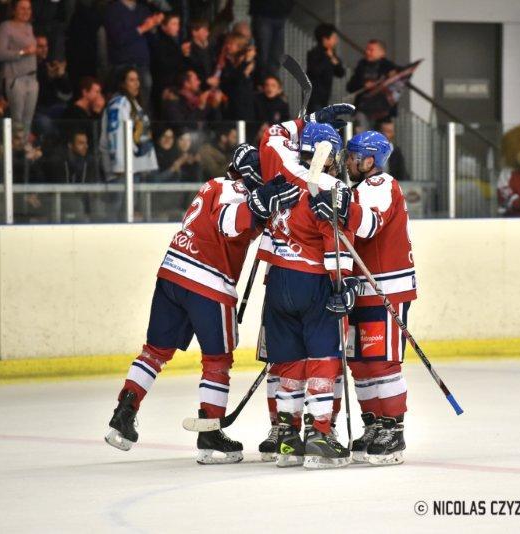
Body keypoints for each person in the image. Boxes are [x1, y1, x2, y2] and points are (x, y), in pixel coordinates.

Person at [105, 144, 300, 464]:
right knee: (218, 360)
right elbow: (229, 222)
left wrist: (266, 204)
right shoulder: (237, 192)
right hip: (208, 283)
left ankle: (124, 413)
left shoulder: (211, 185)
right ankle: (209, 433)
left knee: (154, 352)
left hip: (171, 274)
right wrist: (261, 202)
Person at [252, 103, 358, 469]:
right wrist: (342, 287)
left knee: (289, 361)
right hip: (313, 281)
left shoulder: (280, 168)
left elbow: (272, 134)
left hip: (278, 279)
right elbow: (336, 243)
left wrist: (308, 120)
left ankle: (286, 437)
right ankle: (319, 436)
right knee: (323, 358)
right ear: (328, 156)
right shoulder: (330, 186)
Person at [310, 130, 415, 466]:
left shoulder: (381, 184)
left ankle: (392, 427)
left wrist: (343, 207)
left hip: (385, 286)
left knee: (382, 361)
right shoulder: (357, 188)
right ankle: (373, 423)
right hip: (361, 286)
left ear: (370, 160)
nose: (347, 161)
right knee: (360, 361)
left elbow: (370, 225)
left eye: (353, 155)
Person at [104, 0, 163, 109]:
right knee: (123, 99)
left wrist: (154, 27)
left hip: (142, 62)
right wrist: (142, 28)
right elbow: (117, 39)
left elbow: (152, 40)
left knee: (143, 96)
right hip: (122, 62)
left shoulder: (143, 9)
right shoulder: (113, 10)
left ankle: (140, 122)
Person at [99, 67, 157, 179]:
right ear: (122, 84)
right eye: (131, 80)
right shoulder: (118, 106)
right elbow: (116, 136)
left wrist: (149, 164)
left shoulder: (134, 104)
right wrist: (119, 166)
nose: (137, 84)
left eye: (137, 79)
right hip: (123, 173)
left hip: (136, 168)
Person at [0, 0, 39, 139]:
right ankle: (13, 153)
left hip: (32, 78)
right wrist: (22, 52)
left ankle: (23, 152)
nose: (26, 11)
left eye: (29, 8)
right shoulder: (5, 27)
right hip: (16, 78)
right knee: (17, 121)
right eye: (22, 8)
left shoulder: (29, 27)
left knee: (27, 122)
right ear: (14, 10)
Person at [346, 39, 398, 124]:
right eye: (367, 49)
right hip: (363, 110)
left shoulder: (389, 67)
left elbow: (395, 89)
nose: (367, 52)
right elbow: (350, 86)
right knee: (363, 135)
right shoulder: (362, 65)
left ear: (382, 52)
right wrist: (364, 85)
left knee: (382, 136)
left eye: (371, 50)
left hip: (383, 111)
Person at [149, 12, 184, 114]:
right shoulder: (160, 42)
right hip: (163, 85)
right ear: (164, 26)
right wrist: (180, 53)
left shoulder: (174, 42)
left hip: (173, 82)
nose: (177, 27)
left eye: (178, 24)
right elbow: (163, 64)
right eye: (173, 24)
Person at [306, 23, 345, 113]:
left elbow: (341, 73)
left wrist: (333, 59)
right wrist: (328, 58)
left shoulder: (331, 54)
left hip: (326, 96)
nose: (336, 41)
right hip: (314, 97)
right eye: (334, 38)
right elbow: (315, 71)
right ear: (325, 39)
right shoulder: (314, 53)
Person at [248, 0, 292, 79]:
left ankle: (271, 82)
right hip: (263, 13)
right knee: (262, 55)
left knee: (276, 56)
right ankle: (261, 82)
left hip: (279, 14)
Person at [219, 32, 256, 121]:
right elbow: (234, 80)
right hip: (231, 105)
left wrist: (246, 62)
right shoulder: (227, 63)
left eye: (231, 44)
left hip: (246, 106)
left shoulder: (251, 63)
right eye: (227, 43)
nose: (228, 46)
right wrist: (245, 63)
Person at [61, 75, 102, 146]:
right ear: (85, 92)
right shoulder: (73, 112)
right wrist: (96, 113)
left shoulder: (91, 111)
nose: (99, 96)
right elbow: (90, 135)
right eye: (97, 92)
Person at [182, 18, 215, 90]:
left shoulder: (209, 46)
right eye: (204, 30)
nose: (207, 33)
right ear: (194, 32)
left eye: (207, 30)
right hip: (197, 87)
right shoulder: (188, 48)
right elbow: (192, 68)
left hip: (211, 85)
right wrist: (205, 81)